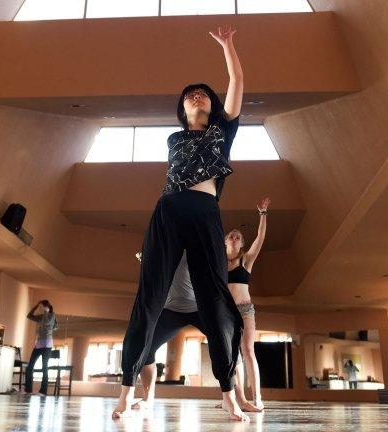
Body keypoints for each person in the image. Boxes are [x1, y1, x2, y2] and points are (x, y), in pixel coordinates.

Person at [113, 24, 246, 421]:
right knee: (148, 297)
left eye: (202, 92)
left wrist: (228, 45)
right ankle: (124, 390)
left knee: (215, 299)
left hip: (205, 211)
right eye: (189, 95)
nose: (196, 95)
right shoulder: (174, 138)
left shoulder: (223, 129)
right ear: (182, 109)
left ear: (213, 105)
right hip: (169, 210)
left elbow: (237, 80)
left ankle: (227, 391)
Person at [131, 252, 261, 413]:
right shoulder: (165, 248)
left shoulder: (198, 247)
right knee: (146, 348)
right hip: (172, 309)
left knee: (229, 347)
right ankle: (148, 398)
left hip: (200, 308)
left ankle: (238, 400)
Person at [223, 197, 270, 410]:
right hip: (225, 312)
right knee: (231, 357)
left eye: (238, 236)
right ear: (225, 241)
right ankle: (235, 398)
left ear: (242, 243)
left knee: (248, 351)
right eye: (231, 236)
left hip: (244, 310)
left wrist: (262, 214)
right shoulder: (218, 263)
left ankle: (257, 397)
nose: (235, 237)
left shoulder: (246, 260)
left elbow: (260, 238)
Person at [24, 300, 58, 394]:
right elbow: (29, 316)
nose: (39, 308)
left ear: (46, 307)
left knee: (44, 367)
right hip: (39, 344)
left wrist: (46, 311)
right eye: (39, 307)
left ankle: (43, 391)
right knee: (30, 366)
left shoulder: (52, 315)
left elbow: (47, 322)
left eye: (41, 307)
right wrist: (35, 306)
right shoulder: (42, 316)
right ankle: (28, 390)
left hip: (47, 345)